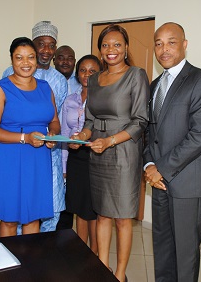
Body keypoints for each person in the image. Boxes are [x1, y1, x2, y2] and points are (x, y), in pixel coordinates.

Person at [71, 24, 149, 282]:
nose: (111, 49)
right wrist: (81, 136)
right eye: (106, 45)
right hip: (98, 153)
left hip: (125, 152)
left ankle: (118, 274)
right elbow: (90, 121)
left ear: (126, 48)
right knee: (102, 213)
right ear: (100, 50)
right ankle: (102, 269)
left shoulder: (136, 75)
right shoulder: (94, 79)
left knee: (123, 218)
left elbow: (139, 121)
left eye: (117, 44)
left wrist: (109, 141)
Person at [143, 22, 201, 281]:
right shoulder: (154, 86)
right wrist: (148, 166)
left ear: (184, 44)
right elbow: (149, 134)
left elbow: (199, 137)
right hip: (159, 183)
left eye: (171, 42)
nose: (164, 49)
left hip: (186, 184)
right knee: (162, 250)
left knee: (186, 254)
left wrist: (159, 168)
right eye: (159, 43)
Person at [0, 37, 60, 237]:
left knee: (34, 215)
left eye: (30, 57)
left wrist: (53, 134)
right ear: (12, 60)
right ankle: (8, 266)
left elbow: (53, 120)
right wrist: (25, 137)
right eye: (19, 57)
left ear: (36, 60)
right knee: (9, 218)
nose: (26, 63)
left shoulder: (45, 87)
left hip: (38, 158)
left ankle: (30, 265)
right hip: (10, 156)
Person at [3, 21, 68, 233]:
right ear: (32, 44)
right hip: (19, 150)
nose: (46, 50)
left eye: (51, 45)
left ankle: (40, 259)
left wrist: (53, 134)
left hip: (49, 152)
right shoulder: (8, 74)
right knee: (19, 209)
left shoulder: (58, 80)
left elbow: (55, 118)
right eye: (41, 44)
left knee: (50, 208)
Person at [62, 55, 102, 252]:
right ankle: (81, 253)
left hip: (96, 157)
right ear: (77, 74)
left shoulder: (104, 99)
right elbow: (64, 132)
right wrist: (63, 166)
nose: (87, 74)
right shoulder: (69, 100)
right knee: (79, 209)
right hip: (75, 159)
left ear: (100, 73)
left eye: (92, 70)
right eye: (83, 70)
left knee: (93, 211)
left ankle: (94, 255)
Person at [54, 45, 82, 230]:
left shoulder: (81, 85)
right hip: (47, 145)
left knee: (68, 198)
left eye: (70, 58)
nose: (65, 61)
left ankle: (63, 240)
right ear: (54, 60)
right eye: (61, 57)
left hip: (73, 149)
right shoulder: (45, 81)